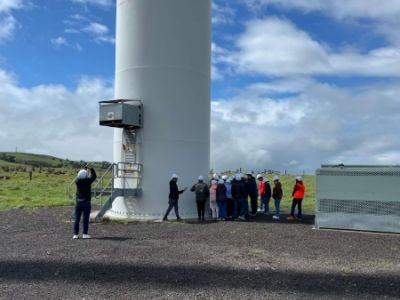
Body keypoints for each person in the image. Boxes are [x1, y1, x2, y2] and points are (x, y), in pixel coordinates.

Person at [73, 165, 97, 239]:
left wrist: (84, 169)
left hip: (78, 202)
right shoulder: (88, 181)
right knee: (85, 219)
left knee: (77, 218)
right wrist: (91, 168)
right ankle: (85, 234)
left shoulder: (77, 181)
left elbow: (80, 175)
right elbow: (94, 176)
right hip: (86, 203)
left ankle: (75, 234)